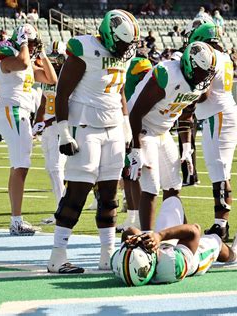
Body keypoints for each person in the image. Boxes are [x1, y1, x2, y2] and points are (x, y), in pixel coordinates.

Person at [47, 10, 140, 274]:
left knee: (110, 195)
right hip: (85, 126)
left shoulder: (125, 53)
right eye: (122, 42)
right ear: (109, 35)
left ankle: (107, 256)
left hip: (112, 128)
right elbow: (62, 92)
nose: (126, 48)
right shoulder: (84, 48)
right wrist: (63, 131)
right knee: (77, 192)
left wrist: (125, 125)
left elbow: (119, 91)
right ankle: (57, 255)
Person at [127, 41, 216, 231]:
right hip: (142, 129)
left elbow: (186, 115)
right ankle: (146, 237)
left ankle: (172, 232)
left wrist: (186, 147)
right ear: (189, 65)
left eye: (208, 73)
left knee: (174, 186)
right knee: (151, 186)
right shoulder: (167, 75)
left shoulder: (199, 87)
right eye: (202, 72)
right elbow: (135, 113)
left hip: (163, 131)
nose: (205, 78)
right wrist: (135, 147)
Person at [0, 24, 57, 235]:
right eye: (30, 44)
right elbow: (21, 63)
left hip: (21, 114)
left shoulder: (28, 59)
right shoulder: (7, 55)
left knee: (20, 165)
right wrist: (22, 43)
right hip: (11, 111)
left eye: (33, 44)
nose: (31, 48)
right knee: (21, 165)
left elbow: (52, 78)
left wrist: (43, 54)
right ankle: (16, 221)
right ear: (19, 41)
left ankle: (16, 219)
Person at [188, 23, 237, 241]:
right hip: (224, 112)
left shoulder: (210, 55)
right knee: (220, 170)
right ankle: (221, 223)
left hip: (218, 115)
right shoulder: (224, 56)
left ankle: (221, 225)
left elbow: (204, 94)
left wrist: (188, 96)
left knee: (218, 171)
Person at [112, 196, 237, 285]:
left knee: (172, 201)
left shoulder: (119, 264)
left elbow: (128, 233)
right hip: (193, 260)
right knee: (215, 240)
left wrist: (135, 237)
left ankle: (181, 238)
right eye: (142, 247)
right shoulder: (171, 266)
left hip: (163, 250)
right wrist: (159, 236)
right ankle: (234, 255)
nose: (139, 245)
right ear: (150, 260)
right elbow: (195, 230)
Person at [116, 55, 152, 232]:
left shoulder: (138, 62)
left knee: (135, 173)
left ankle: (138, 216)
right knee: (126, 172)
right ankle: (131, 215)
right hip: (122, 120)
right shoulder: (117, 63)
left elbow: (148, 75)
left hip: (138, 124)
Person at [33, 41, 67, 225]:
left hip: (59, 127)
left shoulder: (68, 78)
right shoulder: (48, 78)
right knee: (51, 169)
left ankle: (62, 211)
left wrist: (46, 122)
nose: (54, 63)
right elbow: (43, 103)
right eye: (52, 59)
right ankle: (59, 209)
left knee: (56, 169)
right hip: (47, 128)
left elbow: (68, 107)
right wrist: (37, 123)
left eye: (57, 59)